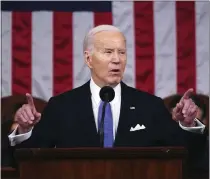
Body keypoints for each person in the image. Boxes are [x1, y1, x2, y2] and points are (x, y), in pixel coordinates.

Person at [8, 25, 207, 167]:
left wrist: (189, 126)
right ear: (89, 59)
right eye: (108, 52)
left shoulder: (150, 106)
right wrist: (24, 131)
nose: (116, 60)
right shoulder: (61, 107)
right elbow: (26, 163)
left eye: (122, 53)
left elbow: (188, 161)